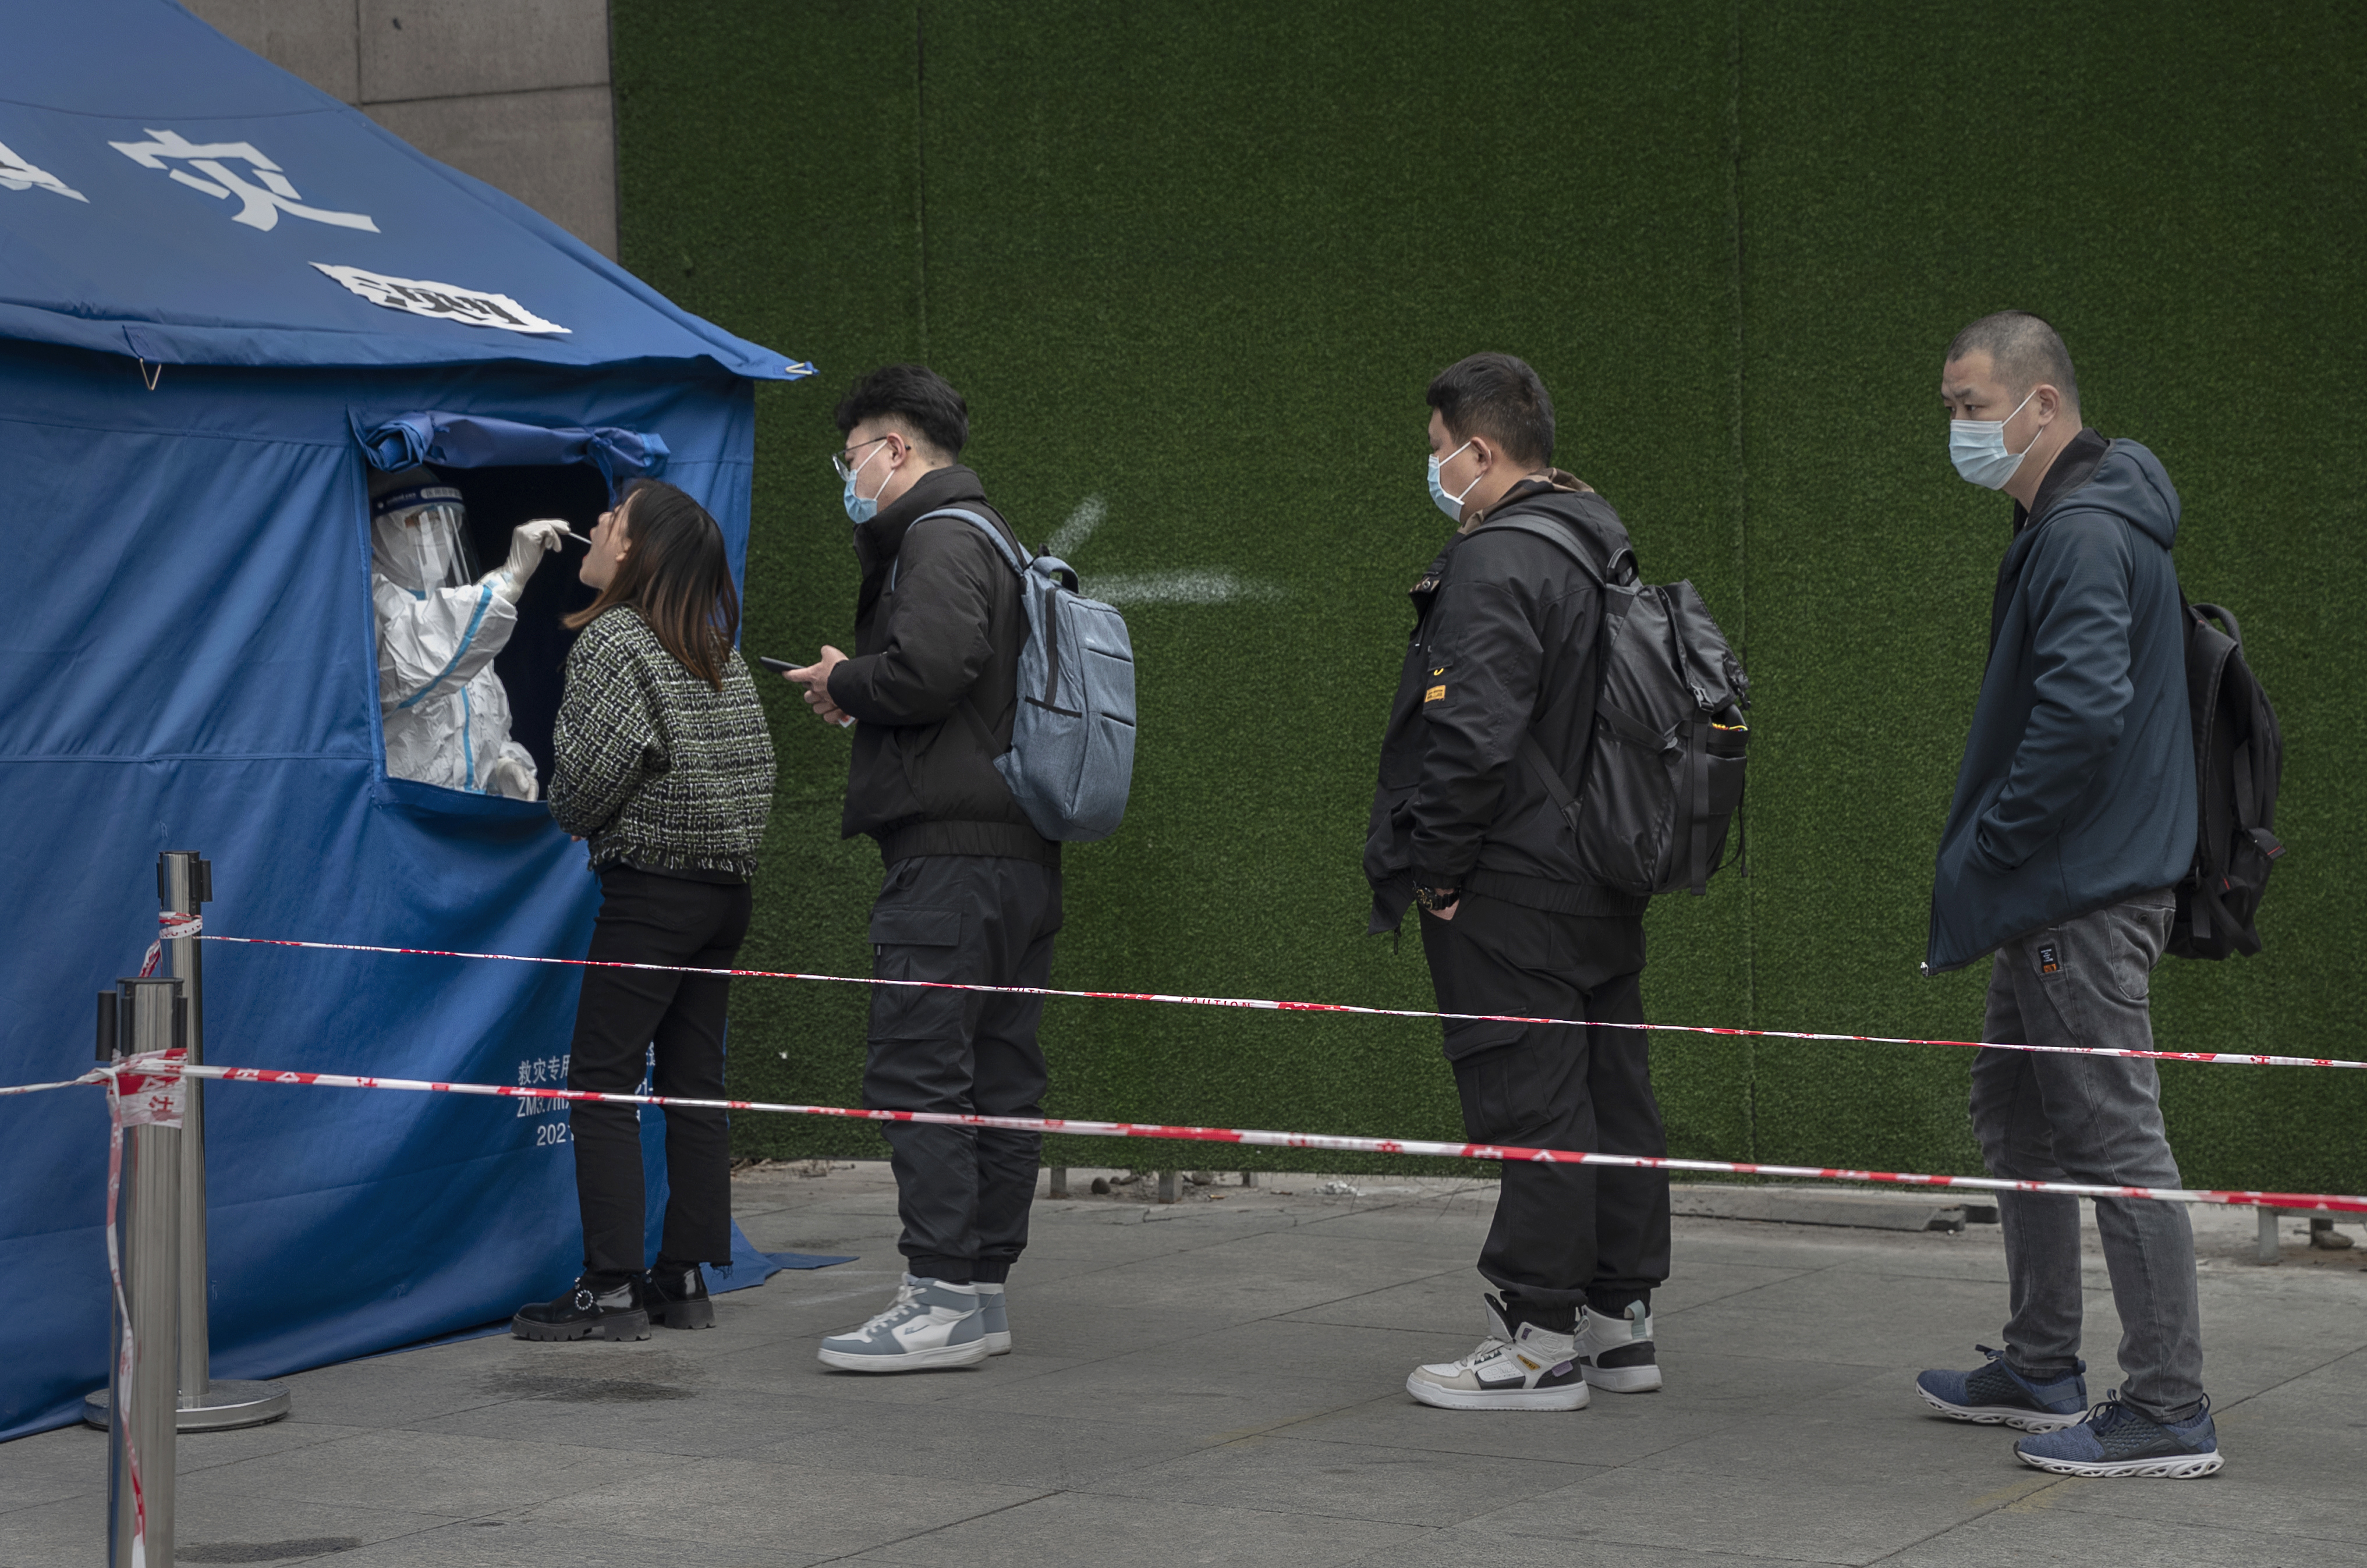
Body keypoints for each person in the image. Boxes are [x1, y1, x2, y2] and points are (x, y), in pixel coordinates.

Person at [1914, 311, 2217, 1478]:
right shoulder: (2075, 520)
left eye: (1970, 406)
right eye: (1948, 407)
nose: (1956, 428)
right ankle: (2039, 1359)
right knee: (2017, 1111)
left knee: (2109, 1138)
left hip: (2075, 889)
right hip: (2060, 886)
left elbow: (2082, 713)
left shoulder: (2083, 533)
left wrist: (1997, 840)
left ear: (2041, 406)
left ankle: (2164, 1408)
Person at [1366, 352, 1670, 1412]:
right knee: (1611, 1087)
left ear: (1478, 448)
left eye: (1438, 447)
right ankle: (1618, 1322)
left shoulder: (1498, 562)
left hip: (1515, 876)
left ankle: (1538, 1338)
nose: (1436, 467)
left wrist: (1438, 868)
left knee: (1530, 1092)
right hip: (1602, 867)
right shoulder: (1598, 542)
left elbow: (1470, 736)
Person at [779, 364, 1059, 1372]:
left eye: (851, 455)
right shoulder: (995, 537)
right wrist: (866, 689)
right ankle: (976, 1291)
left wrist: (844, 677)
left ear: (893, 448)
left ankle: (937, 1291)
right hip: (1014, 852)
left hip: (949, 861)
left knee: (920, 1066)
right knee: (996, 1073)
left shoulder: (939, 537)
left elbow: (933, 666)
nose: (847, 476)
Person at [513, 480, 777, 1342]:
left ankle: (610, 1286)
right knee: (696, 1085)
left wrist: (574, 807)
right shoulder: (714, 647)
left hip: (651, 895)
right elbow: (761, 773)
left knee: (599, 1085)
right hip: (724, 895)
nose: (596, 523)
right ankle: (685, 1273)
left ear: (631, 550)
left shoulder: (613, 640)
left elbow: (581, 789)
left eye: (612, 518)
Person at [368, 465, 564, 797]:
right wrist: (508, 581)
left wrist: (500, 767)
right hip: (403, 822)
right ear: (377, 531)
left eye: (443, 521)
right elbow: (412, 666)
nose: (436, 533)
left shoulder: (462, 616)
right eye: (419, 520)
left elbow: (478, 724)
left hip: (465, 824)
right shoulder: (368, 605)